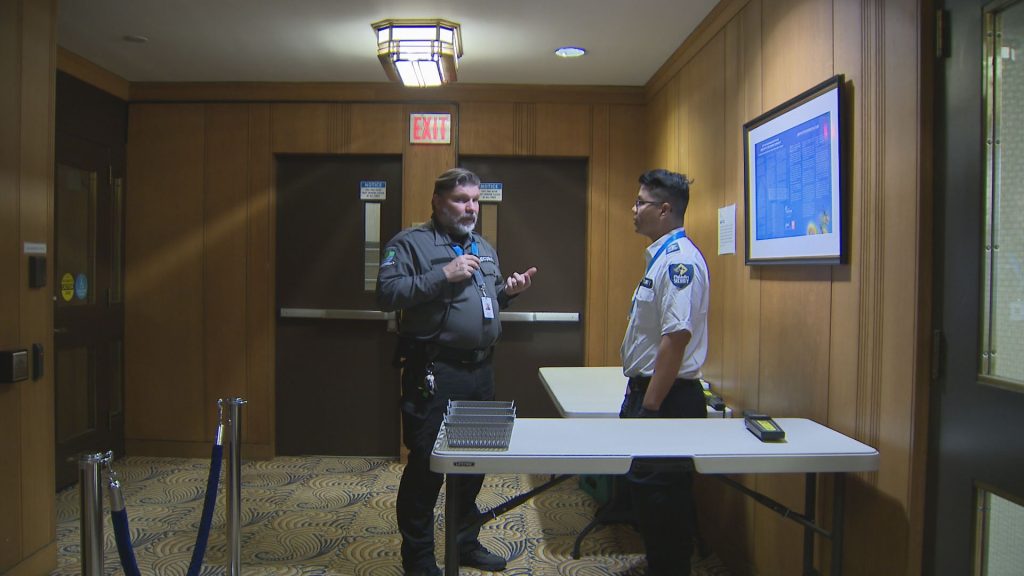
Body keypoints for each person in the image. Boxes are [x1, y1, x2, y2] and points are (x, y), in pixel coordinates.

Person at [377, 168, 537, 576]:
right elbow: (386, 293)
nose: (470, 207)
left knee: (474, 462)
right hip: (434, 371)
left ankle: (464, 542)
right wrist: (440, 276)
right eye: (460, 199)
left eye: (474, 200)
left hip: (480, 372)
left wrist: (509, 293)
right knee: (428, 466)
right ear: (436, 201)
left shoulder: (484, 246)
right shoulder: (410, 243)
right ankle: (418, 557)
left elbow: (489, 299)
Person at [619, 169, 709, 576]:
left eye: (641, 202)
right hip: (653, 394)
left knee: (662, 504)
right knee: (650, 503)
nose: (634, 209)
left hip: (666, 400)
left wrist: (650, 409)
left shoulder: (679, 264)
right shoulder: (662, 258)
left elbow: (676, 340)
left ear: (665, 209)